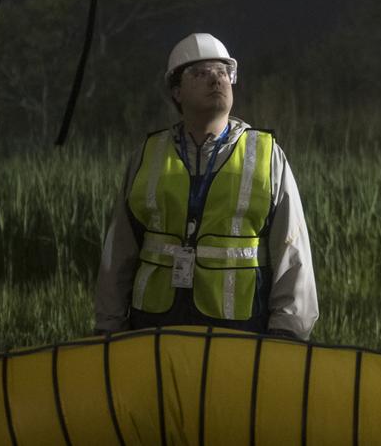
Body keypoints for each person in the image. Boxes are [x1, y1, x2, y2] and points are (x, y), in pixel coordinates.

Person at [94, 33, 317, 339]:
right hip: (155, 327)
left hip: (239, 329)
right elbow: (119, 250)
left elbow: (292, 250)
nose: (216, 81)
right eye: (201, 73)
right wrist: (109, 326)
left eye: (223, 73)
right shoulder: (148, 155)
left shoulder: (267, 155)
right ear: (176, 92)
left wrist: (289, 332)